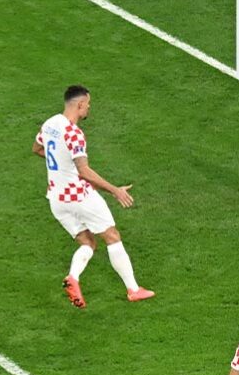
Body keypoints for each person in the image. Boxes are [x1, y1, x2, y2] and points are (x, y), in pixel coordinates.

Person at [32, 85, 154, 308]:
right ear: (79, 105)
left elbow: (37, 149)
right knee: (111, 236)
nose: (89, 108)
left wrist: (60, 169)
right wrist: (115, 190)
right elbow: (84, 171)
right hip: (79, 196)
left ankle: (73, 278)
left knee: (88, 242)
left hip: (56, 199)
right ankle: (134, 289)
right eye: (88, 104)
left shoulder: (50, 124)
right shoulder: (74, 133)